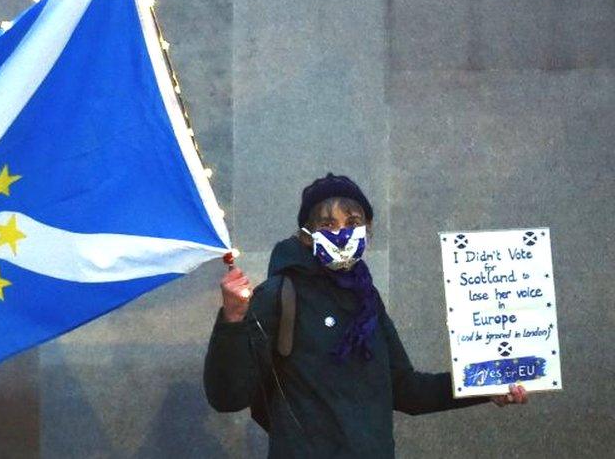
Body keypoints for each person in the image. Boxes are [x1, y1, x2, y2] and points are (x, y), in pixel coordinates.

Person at [203, 173, 527, 458]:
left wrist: (483, 386)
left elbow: (405, 390)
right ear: (306, 234)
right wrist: (233, 320)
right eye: (327, 224)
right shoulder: (279, 294)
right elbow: (227, 397)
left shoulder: (366, 300)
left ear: (368, 229)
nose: (342, 232)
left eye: (352, 222)